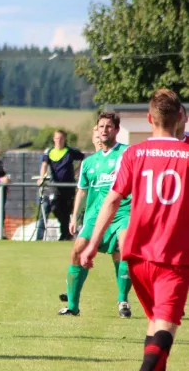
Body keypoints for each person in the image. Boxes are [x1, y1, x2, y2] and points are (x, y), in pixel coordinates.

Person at [81, 89, 189, 370]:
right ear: (180, 117)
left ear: (149, 118)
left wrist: (93, 244)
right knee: (165, 328)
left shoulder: (133, 154)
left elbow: (113, 199)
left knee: (155, 323)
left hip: (137, 258)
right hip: (172, 257)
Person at [57, 112, 132, 318]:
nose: (104, 130)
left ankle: (123, 300)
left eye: (109, 126)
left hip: (123, 212)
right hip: (95, 215)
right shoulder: (89, 163)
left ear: (117, 130)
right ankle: (72, 306)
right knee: (77, 250)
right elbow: (82, 190)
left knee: (125, 248)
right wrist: (74, 217)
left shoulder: (127, 153)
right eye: (101, 127)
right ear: (96, 131)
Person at [36, 130, 85, 241]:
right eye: (57, 138)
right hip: (55, 186)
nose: (59, 140)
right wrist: (42, 177)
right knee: (55, 207)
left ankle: (65, 235)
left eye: (61, 138)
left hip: (68, 186)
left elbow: (84, 159)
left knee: (66, 211)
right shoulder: (49, 152)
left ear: (64, 139)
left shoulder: (70, 152)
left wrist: (77, 171)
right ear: (54, 139)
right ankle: (59, 233)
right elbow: (44, 165)